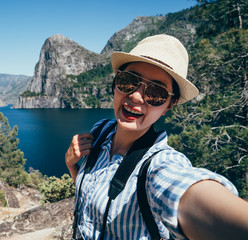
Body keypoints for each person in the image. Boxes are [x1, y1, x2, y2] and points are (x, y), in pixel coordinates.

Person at [65, 34, 248, 240]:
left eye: (156, 93)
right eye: (128, 81)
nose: (135, 96)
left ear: (168, 105)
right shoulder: (100, 131)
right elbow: (91, 193)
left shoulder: (159, 164)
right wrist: (73, 165)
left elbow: (184, 190)